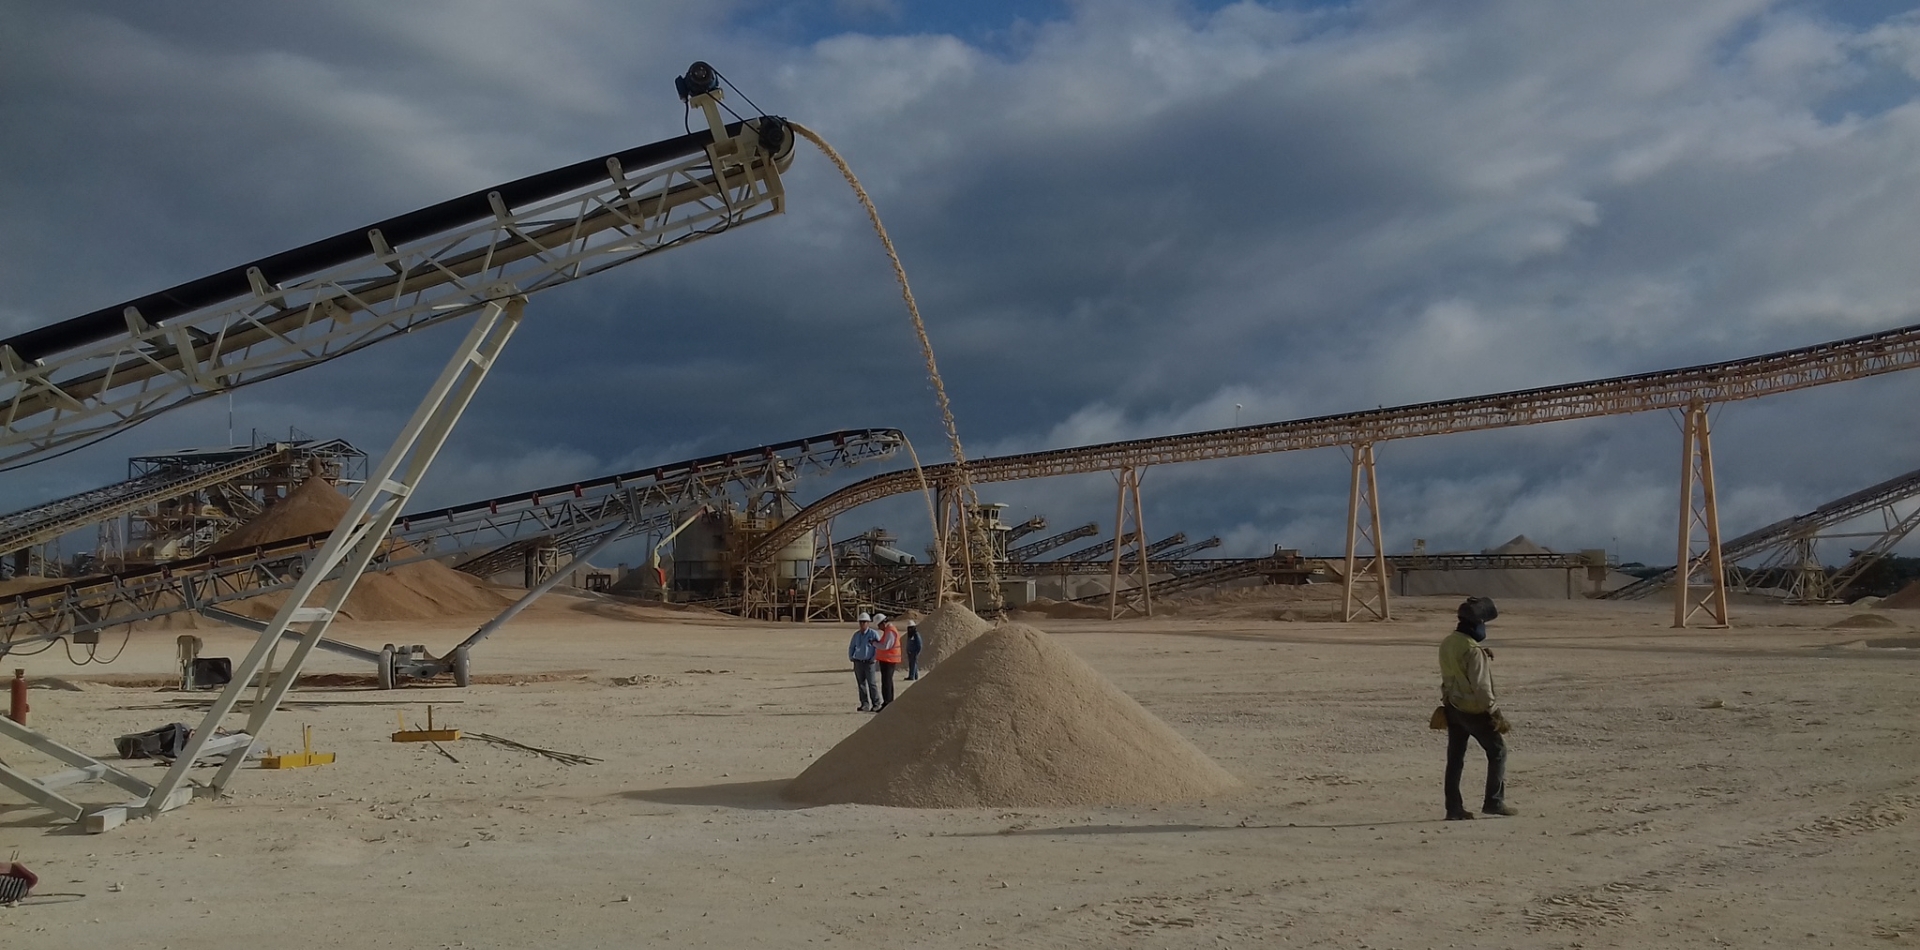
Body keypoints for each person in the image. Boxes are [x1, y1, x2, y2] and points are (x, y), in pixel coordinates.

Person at [1439, 596, 1516, 820]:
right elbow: (1481, 689)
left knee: (1455, 759)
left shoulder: (1448, 642)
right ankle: (1494, 802)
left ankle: (1453, 808)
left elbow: (1456, 667)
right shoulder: (1473, 651)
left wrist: (1481, 653)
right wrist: (1495, 712)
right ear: (1476, 624)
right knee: (1498, 752)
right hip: (1473, 711)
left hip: (1452, 707)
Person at [847, 613, 881, 712]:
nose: (862, 624)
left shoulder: (873, 634)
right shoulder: (856, 635)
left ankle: (876, 703)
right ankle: (864, 704)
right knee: (861, 684)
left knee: (872, 684)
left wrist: (874, 658)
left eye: (864, 622)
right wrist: (851, 657)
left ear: (868, 623)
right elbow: (852, 646)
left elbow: (877, 648)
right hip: (858, 662)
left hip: (869, 662)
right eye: (861, 622)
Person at [873, 613, 903, 709]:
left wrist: (874, 643)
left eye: (879, 625)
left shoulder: (890, 631)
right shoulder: (888, 630)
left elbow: (886, 646)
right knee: (886, 682)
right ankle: (887, 701)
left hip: (889, 660)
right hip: (886, 659)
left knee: (887, 682)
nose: (879, 628)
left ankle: (888, 702)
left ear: (883, 623)